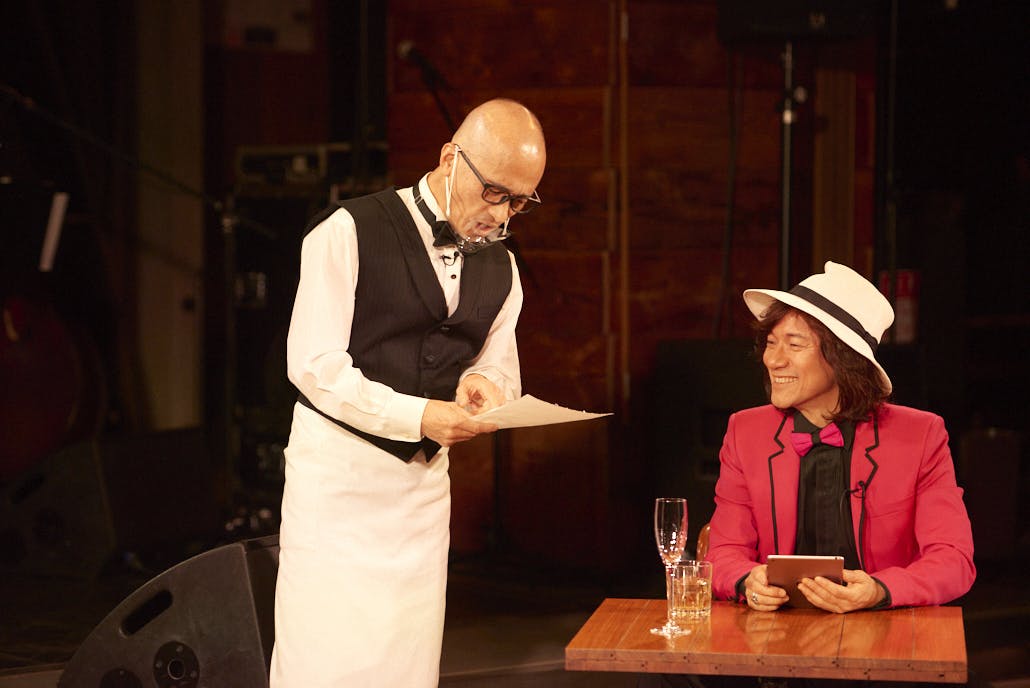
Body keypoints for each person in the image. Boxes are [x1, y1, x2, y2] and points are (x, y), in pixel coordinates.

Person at [269, 98, 546, 687]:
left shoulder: (504, 268)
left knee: (407, 664)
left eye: (519, 201)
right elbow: (314, 367)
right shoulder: (347, 230)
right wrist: (418, 415)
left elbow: (500, 364)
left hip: (421, 494)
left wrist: (483, 385)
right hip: (338, 487)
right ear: (450, 158)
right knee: (324, 660)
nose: (500, 215)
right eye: (493, 192)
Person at [706, 261, 975, 613]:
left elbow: (953, 560)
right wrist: (746, 581)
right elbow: (723, 553)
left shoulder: (920, 436)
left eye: (794, 345)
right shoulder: (746, 432)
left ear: (841, 358)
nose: (773, 360)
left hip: (884, 632)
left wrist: (879, 590)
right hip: (776, 632)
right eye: (771, 343)